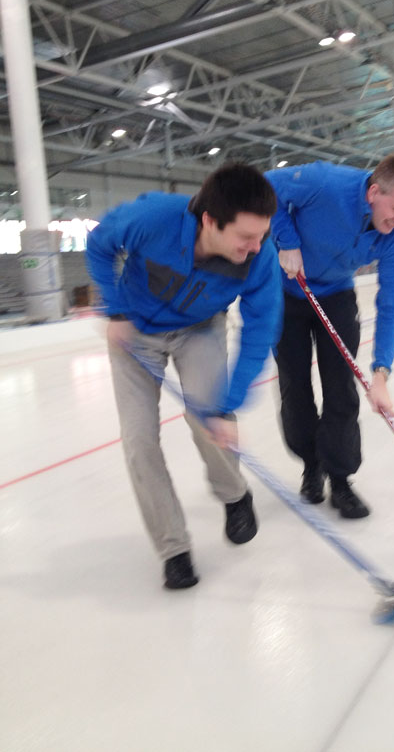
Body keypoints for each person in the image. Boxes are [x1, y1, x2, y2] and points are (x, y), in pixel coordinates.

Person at [86, 163, 281, 590]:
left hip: (200, 329)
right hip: (134, 332)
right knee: (139, 441)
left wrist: (229, 406)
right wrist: (113, 308)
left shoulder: (259, 258)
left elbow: (261, 327)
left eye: (261, 235)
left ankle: (234, 494)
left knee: (209, 420)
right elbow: (99, 245)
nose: (256, 246)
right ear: (210, 221)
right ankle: (173, 548)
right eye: (245, 237)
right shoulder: (152, 217)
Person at [265, 154, 394, 519]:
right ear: (374, 192)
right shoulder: (325, 182)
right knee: (295, 387)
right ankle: (312, 465)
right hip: (287, 291)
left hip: (336, 296)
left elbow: (390, 305)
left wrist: (382, 372)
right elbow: (263, 187)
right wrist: (285, 239)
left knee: (341, 388)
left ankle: (340, 479)